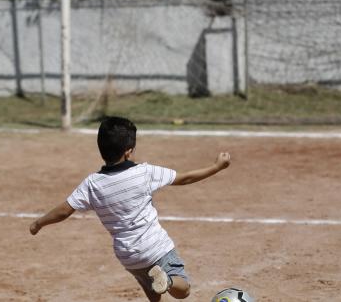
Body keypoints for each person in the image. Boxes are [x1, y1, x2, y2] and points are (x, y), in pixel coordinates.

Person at [29, 116, 231, 301]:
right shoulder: (143, 172)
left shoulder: (92, 184)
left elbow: (65, 210)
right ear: (128, 151)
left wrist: (39, 223)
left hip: (128, 256)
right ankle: (168, 281)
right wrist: (216, 167)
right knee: (183, 289)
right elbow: (184, 178)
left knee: (154, 295)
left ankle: (161, 282)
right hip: (155, 247)